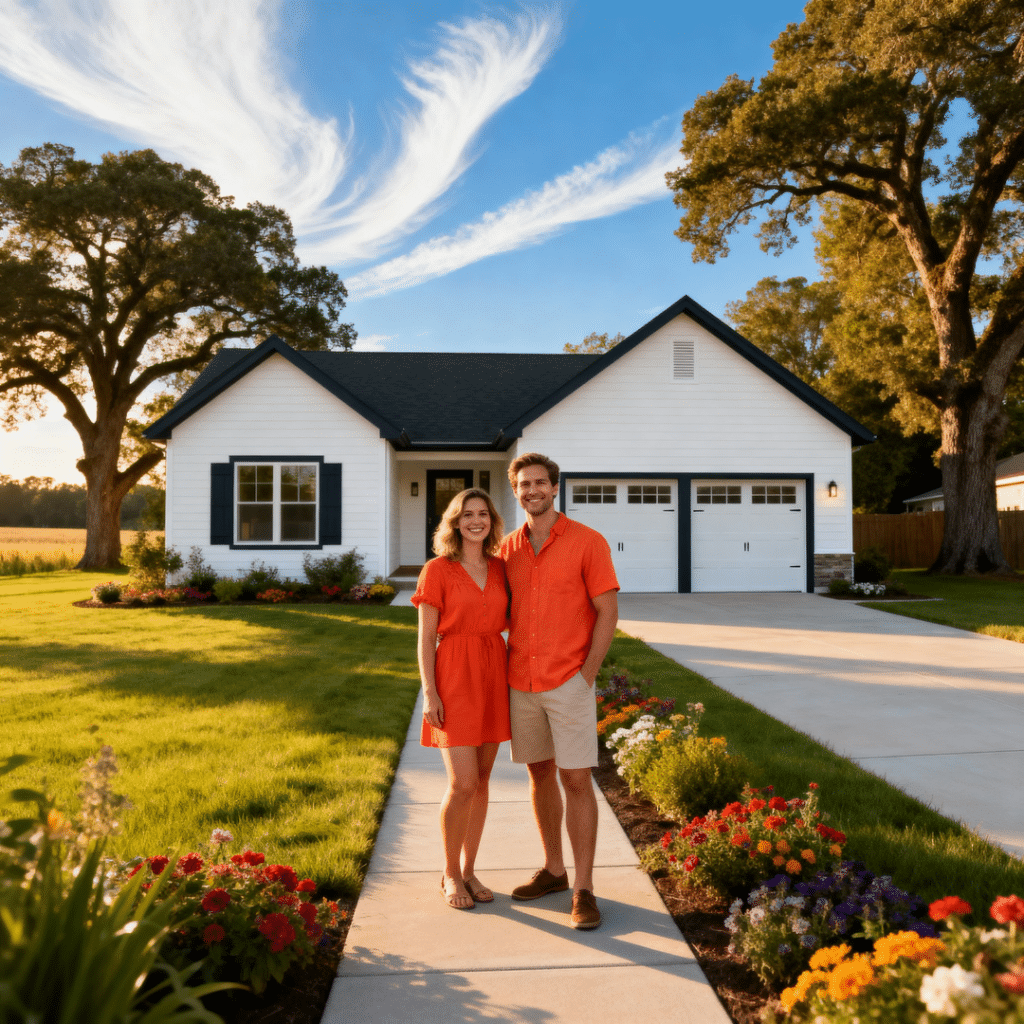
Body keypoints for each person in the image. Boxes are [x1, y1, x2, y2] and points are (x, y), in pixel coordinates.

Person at [500, 453, 619, 930]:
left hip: (569, 680)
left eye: (540, 483)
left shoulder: (588, 542)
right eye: (524, 484)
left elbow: (607, 613)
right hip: (521, 682)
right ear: (516, 491)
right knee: (539, 774)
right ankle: (553, 869)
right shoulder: (506, 549)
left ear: (555, 488)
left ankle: (584, 889)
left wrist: (586, 675)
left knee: (576, 780)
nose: (532, 490)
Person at [412, 487, 512, 910]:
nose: (476, 520)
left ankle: (470, 870)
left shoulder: (502, 567)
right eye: (467, 514)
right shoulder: (437, 569)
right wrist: (430, 691)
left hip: (495, 671)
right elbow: (425, 637)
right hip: (454, 672)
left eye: (483, 513)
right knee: (462, 782)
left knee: (484, 781)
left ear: (492, 521)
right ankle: (450, 874)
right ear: (454, 522)